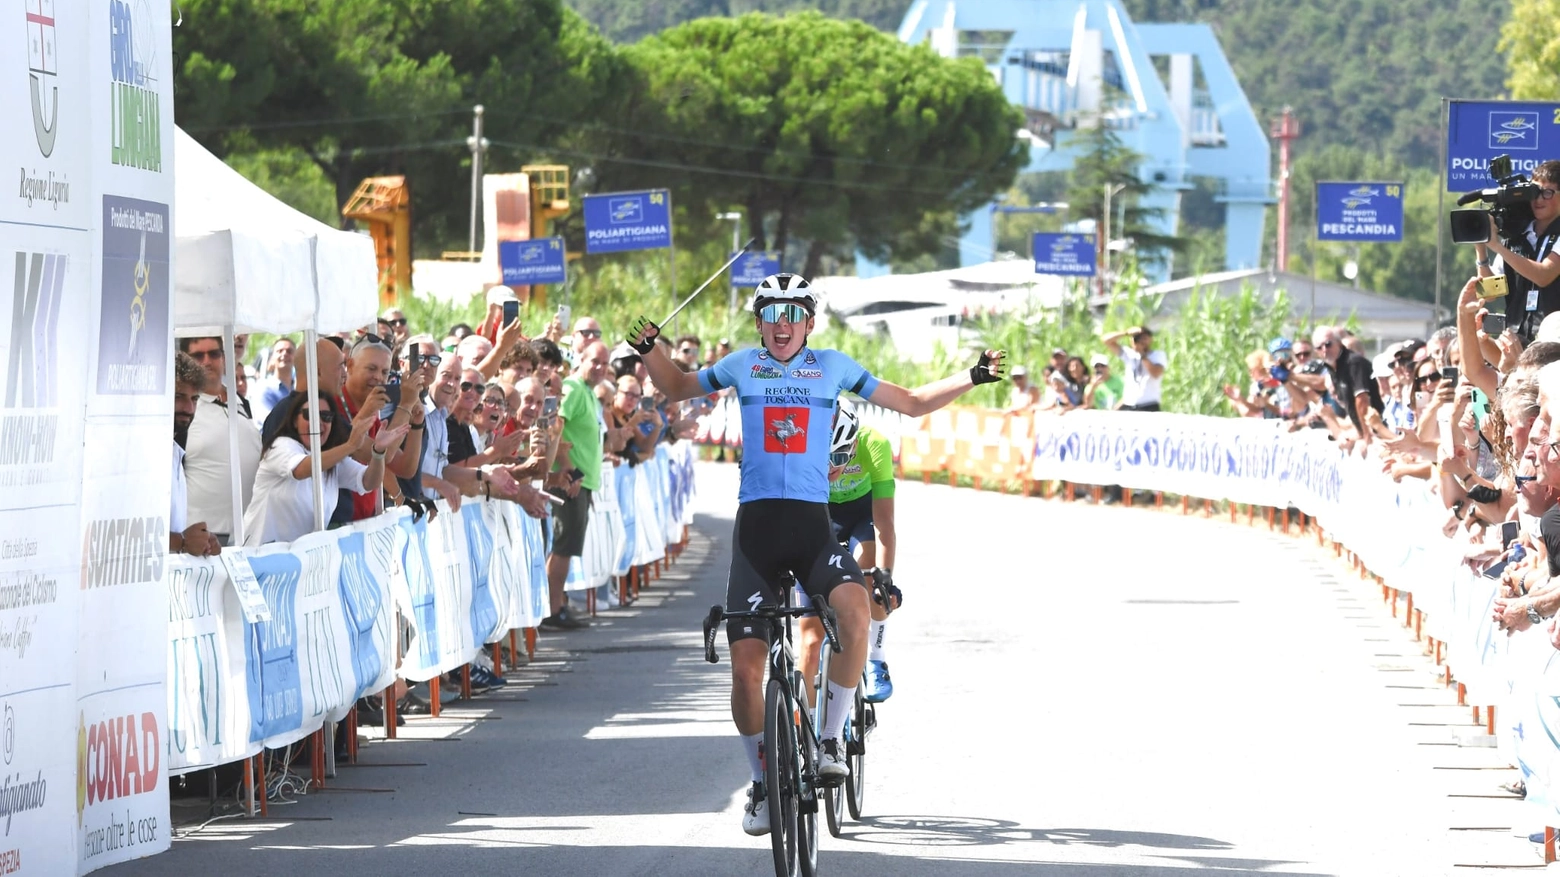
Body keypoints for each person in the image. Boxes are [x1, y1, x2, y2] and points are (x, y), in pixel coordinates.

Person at [626, 272, 1004, 836]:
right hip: (756, 530)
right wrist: (650, 349)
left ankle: (829, 739)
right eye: (771, 315)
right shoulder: (740, 364)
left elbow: (912, 402)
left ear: (808, 321)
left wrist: (970, 376)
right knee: (745, 671)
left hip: (811, 528)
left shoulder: (832, 366)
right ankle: (760, 783)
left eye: (792, 314)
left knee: (853, 611)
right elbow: (678, 387)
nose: (782, 325)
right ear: (759, 323)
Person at [801, 404, 899, 704]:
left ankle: (876, 659)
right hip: (822, 513)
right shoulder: (804, 446)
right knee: (810, 640)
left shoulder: (875, 443)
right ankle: (802, 726)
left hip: (862, 513)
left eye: (841, 458)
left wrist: (886, 578)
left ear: (855, 443)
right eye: (824, 460)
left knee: (869, 574)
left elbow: (884, 524)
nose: (831, 467)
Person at [243, 392, 407, 545]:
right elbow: (301, 469)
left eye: (326, 417)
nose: (318, 423)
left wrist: (378, 453)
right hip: (260, 554)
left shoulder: (330, 457)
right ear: (294, 420)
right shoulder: (281, 446)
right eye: (310, 415)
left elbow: (368, 482)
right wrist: (350, 446)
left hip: (300, 559)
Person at [542, 341, 612, 631]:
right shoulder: (571, 388)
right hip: (567, 481)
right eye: (594, 361)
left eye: (604, 364)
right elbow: (555, 427)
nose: (599, 367)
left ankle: (558, 605)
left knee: (567, 549)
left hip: (583, 483)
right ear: (581, 358)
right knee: (561, 548)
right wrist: (569, 470)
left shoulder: (590, 393)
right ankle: (551, 610)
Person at [1475, 160, 1560, 339]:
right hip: (1517, 340)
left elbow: (1544, 275)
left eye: (1547, 193)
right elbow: (1489, 294)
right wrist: (1481, 250)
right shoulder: (1516, 238)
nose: (1538, 200)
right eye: (1534, 192)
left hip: (1554, 342)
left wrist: (1497, 246)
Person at [172, 352, 221, 558]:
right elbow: (125, 533)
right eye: (178, 397)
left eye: (194, 399)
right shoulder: (138, 453)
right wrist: (182, 542)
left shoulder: (174, 452)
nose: (189, 408)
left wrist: (200, 541)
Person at [1101, 326, 1167, 411]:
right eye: (1137, 338)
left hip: (1149, 404)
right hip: (1129, 404)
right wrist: (1126, 333)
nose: (1141, 342)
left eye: (1144, 338)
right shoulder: (1129, 354)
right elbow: (1106, 340)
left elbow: (1156, 373)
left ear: (1150, 339)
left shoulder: (1157, 355)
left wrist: (1142, 354)